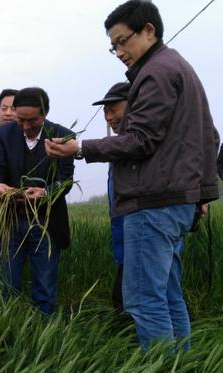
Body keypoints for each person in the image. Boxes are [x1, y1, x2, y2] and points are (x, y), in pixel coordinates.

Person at [45, 1, 219, 350]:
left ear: (149, 30)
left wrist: (78, 148)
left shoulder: (155, 72)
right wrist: (200, 195)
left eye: (124, 41)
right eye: (114, 46)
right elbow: (208, 137)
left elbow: (140, 140)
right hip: (174, 202)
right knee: (168, 295)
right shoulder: (180, 67)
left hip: (152, 203)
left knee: (143, 299)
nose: (120, 52)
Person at [0, 87, 74, 315]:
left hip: (46, 224)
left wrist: (45, 193)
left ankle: (43, 333)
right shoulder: (5, 134)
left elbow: (65, 181)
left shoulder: (62, 136)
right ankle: (8, 330)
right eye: (21, 120)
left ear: (44, 113)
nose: (26, 126)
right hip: (10, 222)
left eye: (32, 120)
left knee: (44, 287)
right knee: (6, 285)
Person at [91, 82, 130, 310]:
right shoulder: (120, 146)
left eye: (113, 109)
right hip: (125, 238)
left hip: (144, 234)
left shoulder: (141, 141)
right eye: (105, 112)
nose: (108, 117)